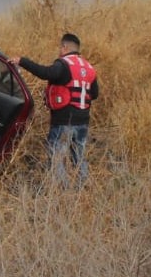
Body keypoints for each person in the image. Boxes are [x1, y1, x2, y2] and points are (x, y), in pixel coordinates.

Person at [11, 33, 100, 188]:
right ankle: (83, 189)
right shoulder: (89, 68)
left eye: (60, 47)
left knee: (57, 157)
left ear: (64, 47)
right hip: (83, 123)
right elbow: (95, 94)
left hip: (63, 121)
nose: (59, 51)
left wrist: (22, 61)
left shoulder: (63, 64)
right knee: (79, 158)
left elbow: (46, 73)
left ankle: (62, 191)